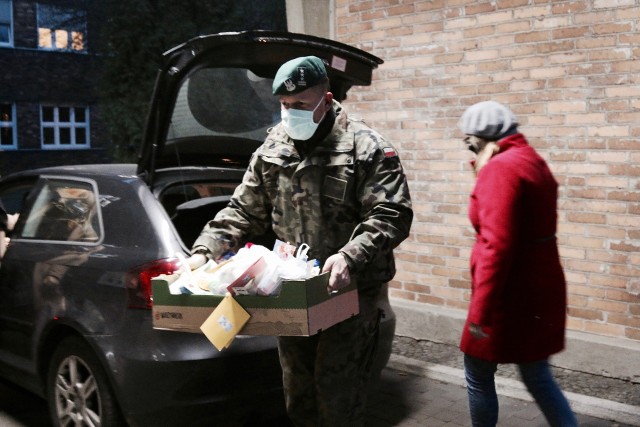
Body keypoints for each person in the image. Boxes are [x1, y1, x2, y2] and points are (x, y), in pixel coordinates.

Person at [187, 56, 413, 426]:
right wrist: (204, 251)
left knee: (338, 399)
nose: (290, 114)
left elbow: (391, 214)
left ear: (325, 100)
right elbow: (243, 210)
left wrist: (349, 256)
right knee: (299, 395)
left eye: (301, 106)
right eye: (284, 106)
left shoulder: (366, 148)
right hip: (293, 293)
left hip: (351, 294)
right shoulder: (274, 148)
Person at [457, 100, 577, 427]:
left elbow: (498, 243)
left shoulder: (502, 168)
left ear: (481, 136)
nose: (466, 143)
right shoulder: (530, 158)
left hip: (509, 292)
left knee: (477, 370)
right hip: (536, 285)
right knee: (537, 373)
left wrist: (480, 310)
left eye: (468, 138)